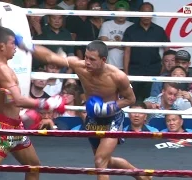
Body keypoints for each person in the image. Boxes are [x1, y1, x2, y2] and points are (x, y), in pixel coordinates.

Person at [15, 36, 150, 180]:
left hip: (112, 118)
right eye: (86, 57)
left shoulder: (117, 76)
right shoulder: (80, 66)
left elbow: (131, 99)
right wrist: (28, 45)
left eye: (92, 59)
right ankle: (139, 175)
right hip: (93, 119)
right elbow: (50, 57)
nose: (87, 62)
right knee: (105, 161)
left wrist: (108, 108)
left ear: (103, 60)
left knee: (100, 161)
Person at [0, 26, 69, 180]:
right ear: (1, 46)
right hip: (3, 130)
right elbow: (18, 100)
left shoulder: (2, 67)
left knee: (34, 167)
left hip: (15, 126)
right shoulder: (1, 69)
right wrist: (46, 103)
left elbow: (2, 99)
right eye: (13, 43)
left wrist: (19, 109)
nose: (16, 47)